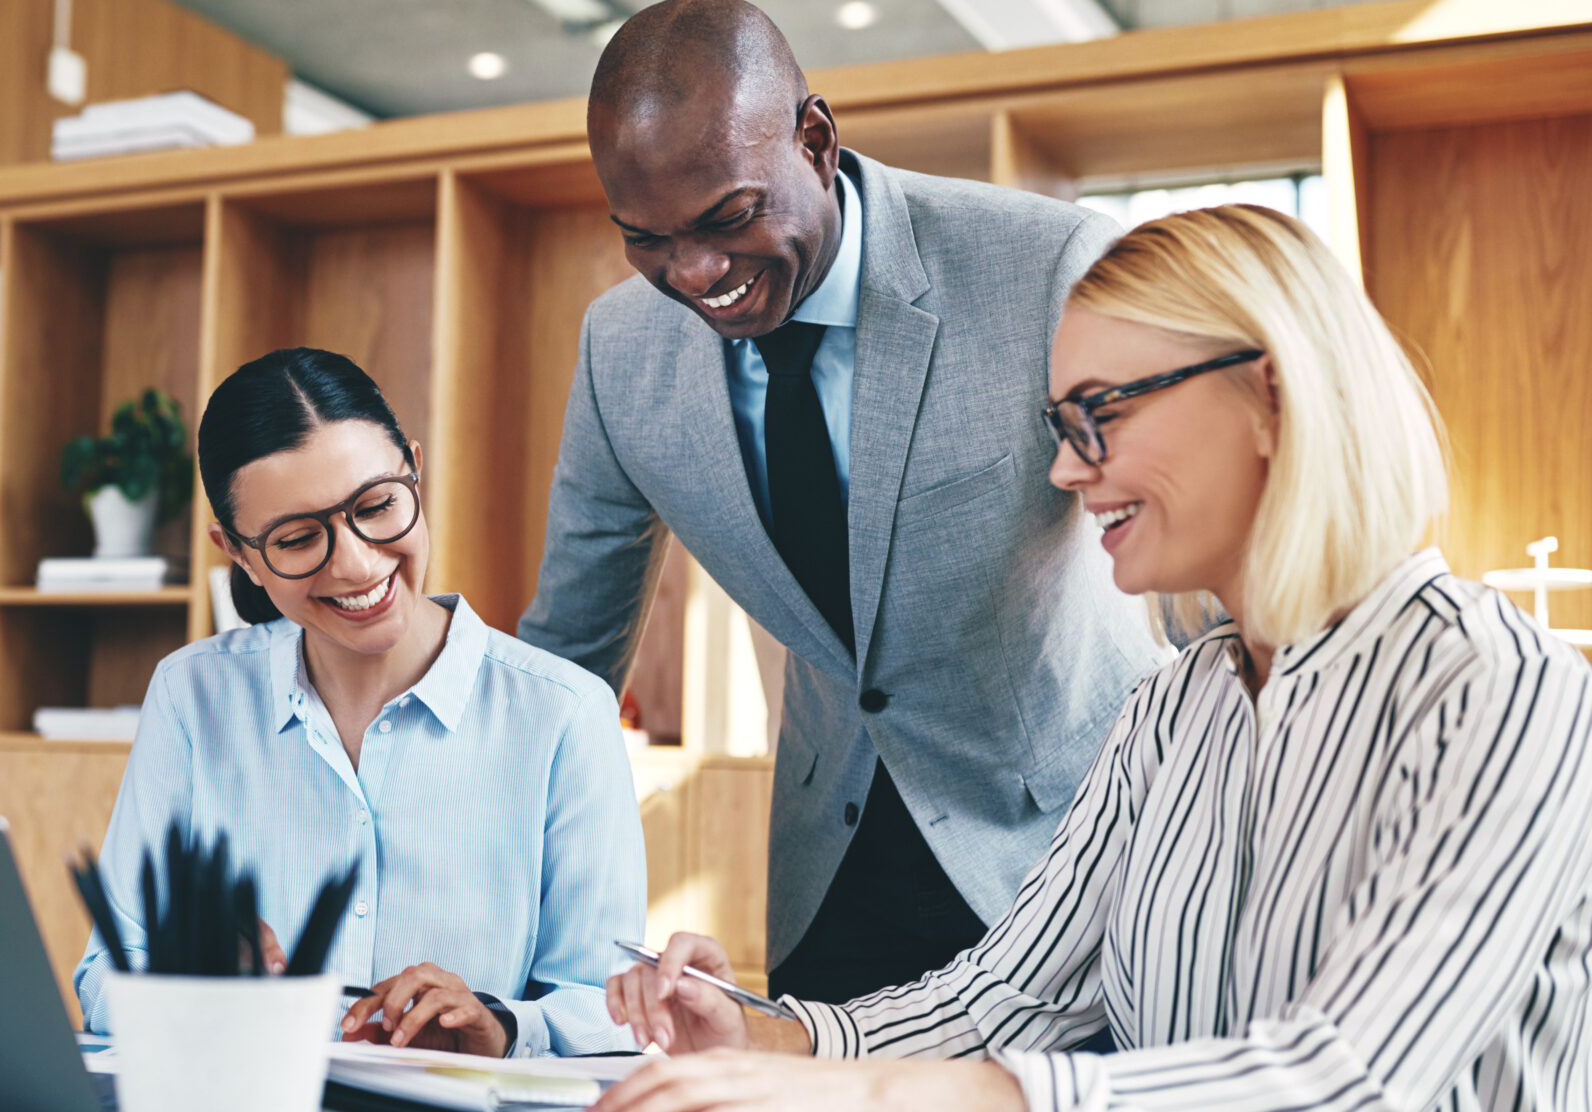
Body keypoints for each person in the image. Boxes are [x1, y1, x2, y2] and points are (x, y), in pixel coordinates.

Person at [590, 204, 1592, 1112]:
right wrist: (771, 1035)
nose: (1067, 469)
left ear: (1271, 391)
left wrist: (877, 1093)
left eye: (1098, 413)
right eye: (1057, 425)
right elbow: (1008, 993)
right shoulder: (1168, 709)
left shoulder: (1502, 691)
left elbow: (1346, 1076)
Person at [518, 0, 1165, 1004]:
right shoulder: (621, 348)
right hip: (833, 879)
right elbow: (567, 653)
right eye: (645, 238)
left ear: (815, 140)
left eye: (728, 216)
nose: (693, 273)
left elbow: (1195, 552)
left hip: (1075, 856)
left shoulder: (1046, 267)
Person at [73, 348, 645, 1058]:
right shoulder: (193, 697)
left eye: (376, 506)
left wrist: (498, 1027)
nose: (356, 563)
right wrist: (187, 987)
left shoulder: (564, 714)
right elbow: (105, 976)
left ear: (413, 467)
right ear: (239, 553)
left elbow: (607, 1014)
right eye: (297, 538)